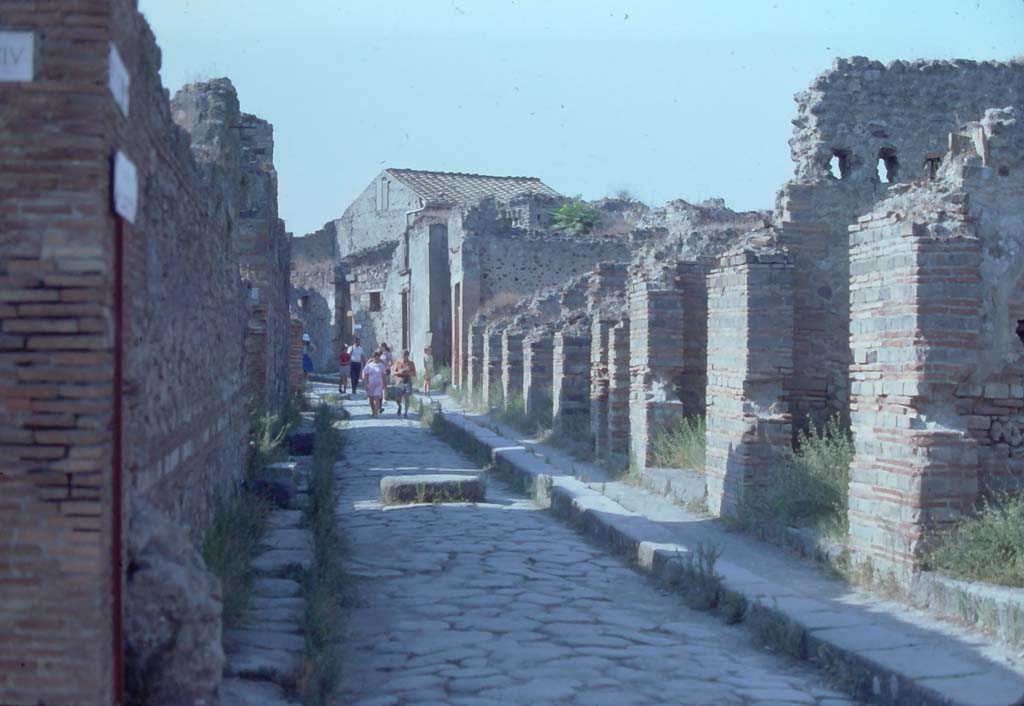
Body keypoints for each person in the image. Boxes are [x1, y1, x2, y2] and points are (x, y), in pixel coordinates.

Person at [391, 349, 417, 418]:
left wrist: (408, 372)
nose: (404, 357)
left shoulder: (411, 363)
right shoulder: (398, 362)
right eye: (403, 356)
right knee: (397, 399)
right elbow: (393, 373)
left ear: (407, 356)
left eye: (405, 356)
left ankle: (405, 413)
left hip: (408, 381)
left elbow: (414, 373)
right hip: (399, 382)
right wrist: (401, 371)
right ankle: (399, 406)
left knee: (407, 397)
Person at [362, 349, 386, 417]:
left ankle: (375, 413)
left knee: (377, 398)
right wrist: (366, 384)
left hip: (379, 384)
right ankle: (373, 411)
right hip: (370, 385)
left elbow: (384, 375)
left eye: (378, 357)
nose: (376, 358)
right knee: (371, 399)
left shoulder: (381, 365)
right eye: (375, 357)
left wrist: (385, 384)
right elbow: (366, 375)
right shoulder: (369, 365)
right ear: (373, 358)